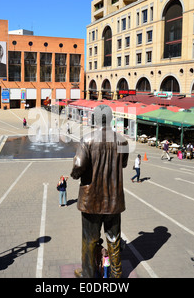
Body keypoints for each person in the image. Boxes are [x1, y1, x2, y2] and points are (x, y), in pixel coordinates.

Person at [70, 104, 129, 278]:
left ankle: (88, 274)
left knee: (89, 240)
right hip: (114, 200)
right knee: (114, 239)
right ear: (111, 119)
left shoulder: (87, 140)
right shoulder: (123, 140)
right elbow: (124, 164)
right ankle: (116, 275)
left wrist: (75, 174)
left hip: (91, 200)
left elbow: (79, 165)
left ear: (95, 119)